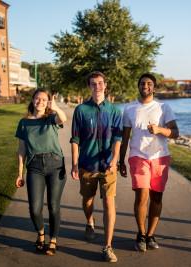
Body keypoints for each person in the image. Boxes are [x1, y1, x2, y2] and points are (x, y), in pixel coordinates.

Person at [119, 73, 179, 252]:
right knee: (142, 195)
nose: (146, 85)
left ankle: (151, 234)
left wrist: (160, 129)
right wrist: (121, 161)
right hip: (138, 157)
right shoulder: (130, 109)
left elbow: (175, 132)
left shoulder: (163, 107)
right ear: (138, 86)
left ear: (154, 87)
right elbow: (125, 137)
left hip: (160, 157)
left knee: (156, 198)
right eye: (143, 83)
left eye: (149, 83)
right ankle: (141, 234)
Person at [70, 71, 122, 263]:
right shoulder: (81, 110)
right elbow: (75, 139)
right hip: (87, 165)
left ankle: (108, 246)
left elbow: (118, 138)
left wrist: (115, 159)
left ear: (105, 86)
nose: (97, 87)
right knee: (88, 200)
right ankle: (89, 221)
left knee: (109, 203)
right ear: (89, 87)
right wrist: (75, 164)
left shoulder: (115, 111)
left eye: (100, 83)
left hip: (108, 165)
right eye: (93, 84)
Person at [15, 89, 67, 256]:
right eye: (38, 98)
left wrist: (56, 107)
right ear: (33, 100)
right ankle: (41, 234)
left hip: (55, 165)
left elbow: (63, 118)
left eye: (44, 99)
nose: (40, 102)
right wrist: (20, 173)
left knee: (53, 206)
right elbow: (21, 149)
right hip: (35, 167)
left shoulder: (51, 119)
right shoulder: (24, 122)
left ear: (47, 103)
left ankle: (53, 240)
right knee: (35, 209)